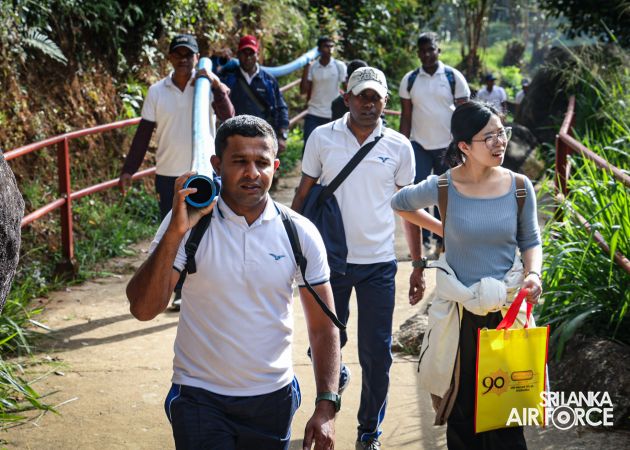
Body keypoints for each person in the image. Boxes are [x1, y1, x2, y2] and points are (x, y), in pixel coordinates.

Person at [126, 115, 341, 450]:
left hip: (273, 398)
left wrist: (326, 405)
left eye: (262, 162)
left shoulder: (299, 233)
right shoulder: (189, 225)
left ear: (275, 167)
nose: (252, 172)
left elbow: (323, 327)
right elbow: (143, 309)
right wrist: (175, 232)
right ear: (217, 165)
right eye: (239, 161)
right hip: (199, 397)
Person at [292, 67, 440, 450]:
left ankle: (369, 431)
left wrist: (418, 265)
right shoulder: (322, 138)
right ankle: (335, 377)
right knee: (324, 343)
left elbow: (407, 208)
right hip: (329, 264)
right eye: (361, 96)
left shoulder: (399, 147)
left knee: (377, 353)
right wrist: (291, 250)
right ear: (347, 98)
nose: (368, 103)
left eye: (375, 97)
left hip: (379, 265)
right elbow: (302, 196)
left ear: (385, 103)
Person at [391, 101, 543, 450]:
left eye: (502, 133)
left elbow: (531, 240)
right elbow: (400, 203)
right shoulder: (444, 186)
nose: (500, 143)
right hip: (459, 315)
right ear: (464, 146)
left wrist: (533, 273)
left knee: (508, 409)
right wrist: (445, 228)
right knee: (462, 408)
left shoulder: (520, 187)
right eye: (489, 137)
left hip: (506, 312)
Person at [119, 34, 234, 219]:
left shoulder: (207, 86)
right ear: (169, 58)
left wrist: (217, 84)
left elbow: (228, 117)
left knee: (207, 227)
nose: (183, 59)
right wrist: (129, 170)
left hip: (204, 172)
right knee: (171, 227)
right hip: (168, 175)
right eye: (177, 54)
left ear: (197, 58)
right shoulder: (156, 91)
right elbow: (143, 135)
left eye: (188, 55)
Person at [399, 31, 470, 267]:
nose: (427, 54)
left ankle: (444, 242)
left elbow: (464, 113)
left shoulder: (453, 77)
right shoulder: (410, 80)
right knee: (417, 194)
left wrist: (463, 144)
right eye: (423, 51)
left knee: (445, 194)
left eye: (431, 49)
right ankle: (422, 243)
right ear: (418, 53)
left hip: (447, 146)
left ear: (438, 50)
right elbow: (406, 116)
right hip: (418, 145)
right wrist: (401, 146)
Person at [221, 35, 289, 153]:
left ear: (257, 55)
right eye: (244, 53)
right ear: (238, 55)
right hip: (235, 139)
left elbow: (281, 107)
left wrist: (282, 135)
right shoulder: (228, 78)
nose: (248, 57)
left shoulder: (268, 80)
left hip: (263, 138)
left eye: (251, 53)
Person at [300, 36, 346, 147]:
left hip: (333, 115)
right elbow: (303, 90)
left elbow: (347, 88)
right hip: (314, 113)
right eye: (326, 46)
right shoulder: (312, 67)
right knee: (309, 146)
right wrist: (306, 68)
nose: (330, 49)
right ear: (319, 49)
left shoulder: (339, 66)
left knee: (330, 148)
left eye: (331, 46)